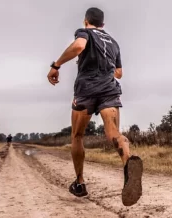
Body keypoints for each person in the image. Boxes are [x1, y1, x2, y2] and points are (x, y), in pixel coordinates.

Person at [47, 7, 143, 207]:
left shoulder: (84, 33)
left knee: (77, 135)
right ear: (103, 25)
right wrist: (104, 68)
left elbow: (79, 46)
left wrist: (56, 66)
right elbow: (119, 72)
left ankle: (80, 183)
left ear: (86, 21)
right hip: (109, 89)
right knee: (114, 131)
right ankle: (128, 162)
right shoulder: (113, 42)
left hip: (86, 90)